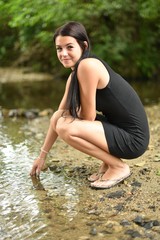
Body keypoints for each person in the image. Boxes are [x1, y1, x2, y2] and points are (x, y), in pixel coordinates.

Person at [30, 21, 150, 189]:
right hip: (119, 130)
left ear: (84, 46)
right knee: (61, 119)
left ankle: (117, 166)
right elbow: (58, 115)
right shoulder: (74, 75)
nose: (63, 53)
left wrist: (71, 114)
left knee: (66, 127)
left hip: (133, 139)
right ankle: (108, 164)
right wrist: (42, 156)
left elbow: (88, 117)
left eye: (69, 47)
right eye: (59, 48)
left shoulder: (88, 66)